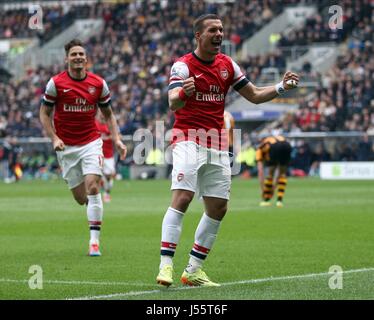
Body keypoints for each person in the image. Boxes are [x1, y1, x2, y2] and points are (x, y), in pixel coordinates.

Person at [156, 14, 299, 287]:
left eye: (221, 29)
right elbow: (173, 103)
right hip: (188, 138)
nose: (219, 34)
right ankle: (166, 266)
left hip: (217, 143)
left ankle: (193, 271)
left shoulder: (227, 65)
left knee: (218, 207)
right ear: (198, 36)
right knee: (184, 197)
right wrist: (184, 93)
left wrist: (282, 87)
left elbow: (254, 95)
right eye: (213, 30)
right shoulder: (183, 66)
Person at [39, 39, 127, 257]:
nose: (78, 57)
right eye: (74, 54)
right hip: (66, 148)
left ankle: (94, 243)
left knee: (93, 186)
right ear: (67, 58)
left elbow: (108, 115)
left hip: (91, 143)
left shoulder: (98, 84)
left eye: (81, 54)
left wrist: (116, 139)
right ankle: (93, 208)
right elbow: (44, 113)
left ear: (86, 59)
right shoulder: (56, 84)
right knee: (81, 198)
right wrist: (54, 138)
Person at [256, 135, 292, 207]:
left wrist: (263, 190)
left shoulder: (260, 149)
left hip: (274, 147)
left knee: (270, 173)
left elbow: (260, 171)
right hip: (287, 145)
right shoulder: (274, 138)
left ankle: (266, 199)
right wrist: (273, 188)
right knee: (282, 173)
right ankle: (279, 201)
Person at [96, 111, 116, 203]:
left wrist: (109, 137)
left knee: (109, 176)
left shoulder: (110, 124)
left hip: (109, 155)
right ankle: (101, 195)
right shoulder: (94, 124)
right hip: (97, 154)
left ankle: (106, 191)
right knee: (95, 176)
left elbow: (118, 136)